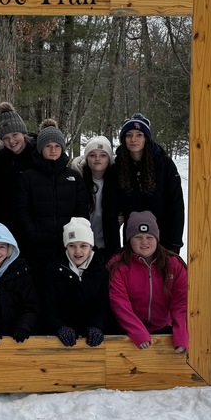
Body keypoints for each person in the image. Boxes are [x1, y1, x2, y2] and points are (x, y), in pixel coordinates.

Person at [108, 211, 188, 353]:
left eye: (149, 237)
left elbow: (181, 302)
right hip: (127, 329)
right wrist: (138, 331)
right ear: (129, 239)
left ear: (157, 238)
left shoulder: (174, 264)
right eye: (138, 237)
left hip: (163, 327)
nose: (144, 242)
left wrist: (181, 336)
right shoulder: (118, 265)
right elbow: (119, 302)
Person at [17, 120, 88, 276]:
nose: (53, 150)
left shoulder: (74, 177)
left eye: (57, 146)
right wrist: (33, 234)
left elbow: (82, 210)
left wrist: (76, 237)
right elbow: (22, 210)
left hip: (68, 245)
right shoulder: (28, 177)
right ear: (41, 148)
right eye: (48, 146)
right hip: (37, 246)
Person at [115, 113, 185, 253]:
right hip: (133, 237)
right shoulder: (118, 166)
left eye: (139, 135)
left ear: (146, 138)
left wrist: (175, 244)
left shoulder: (164, 164)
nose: (133, 139)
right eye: (129, 135)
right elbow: (113, 205)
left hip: (163, 237)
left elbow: (176, 205)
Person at [43, 218, 111, 347]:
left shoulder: (101, 272)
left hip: (90, 340)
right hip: (60, 339)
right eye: (72, 246)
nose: (78, 251)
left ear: (91, 246)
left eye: (83, 246)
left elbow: (103, 307)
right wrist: (60, 327)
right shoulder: (53, 271)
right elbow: (48, 307)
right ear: (65, 247)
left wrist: (97, 327)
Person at [69, 135, 121, 258]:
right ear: (87, 158)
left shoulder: (116, 181)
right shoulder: (76, 179)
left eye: (103, 155)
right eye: (92, 155)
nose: (97, 159)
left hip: (106, 244)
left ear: (109, 158)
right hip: (81, 245)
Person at [0, 102, 37, 241]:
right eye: (5, 138)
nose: (11, 141)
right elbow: (0, 192)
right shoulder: (1, 156)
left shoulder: (37, 152)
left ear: (23, 133)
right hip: (9, 220)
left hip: (34, 218)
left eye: (15, 134)